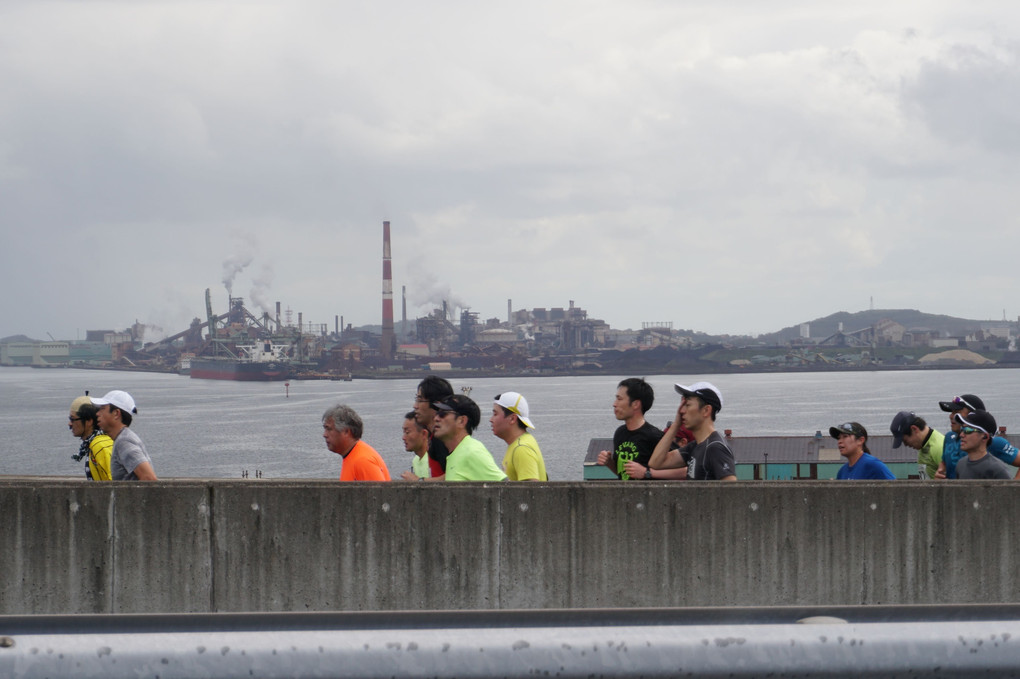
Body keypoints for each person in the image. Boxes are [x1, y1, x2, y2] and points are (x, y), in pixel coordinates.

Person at [646, 382, 736, 481]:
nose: (681, 411)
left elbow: (731, 490)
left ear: (706, 410)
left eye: (688, 405)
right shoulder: (694, 446)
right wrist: (676, 425)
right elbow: (656, 462)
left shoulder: (716, 447)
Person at [934, 394, 1020, 479]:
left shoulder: (994, 442)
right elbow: (945, 462)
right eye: (951, 412)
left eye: (957, 412)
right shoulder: (949, 437)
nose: (951, 416)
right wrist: (940, 472)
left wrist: (1013, 487)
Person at [596, 378, 663, 480]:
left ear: (635, 404)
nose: (614, 404)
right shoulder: (620, 433)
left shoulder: (654, 436)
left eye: (619, 399)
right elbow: (621, 472)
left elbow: (684, 469)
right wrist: (609, 462)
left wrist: (646, 472)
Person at [432, 394, 507, 481]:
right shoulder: (457, 453)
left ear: (462, 421)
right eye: (437, 413)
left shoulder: (472, 451)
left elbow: (506, 486)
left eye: (442, 414)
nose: (436, 418)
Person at [91, 390, 157, 481]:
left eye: (102, 408)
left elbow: (149, 478)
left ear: (116, 414)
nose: (97, 414)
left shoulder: (124, 441)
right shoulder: (122, 438)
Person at [322, 404, 390, 481]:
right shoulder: (353, 455)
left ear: (346, 432)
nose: (324, 435)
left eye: (329, 429)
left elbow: (379, 492)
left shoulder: (362, 461)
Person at [490, 391, 547, 481]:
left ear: (512, 418)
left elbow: (532, 492)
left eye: (495, 414)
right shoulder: (521, 442)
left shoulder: (522, 448)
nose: (491, 419)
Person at [412, 375, 454, 480]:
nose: (415, 406)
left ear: (437, 405)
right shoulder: (436, 436)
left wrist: (419, 481)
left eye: (420, 400)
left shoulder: (442, 439)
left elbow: (454, 476)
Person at [953, 410, 1012, 479]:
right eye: (962, 429)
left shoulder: (998, 470)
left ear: (985, 437)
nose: (961, 435)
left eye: (967, 430)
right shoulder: (960, 465)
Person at [68, 393, 113, 481]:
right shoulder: (97, 442)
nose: (69, 424)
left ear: (89, 421)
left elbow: (114, 482)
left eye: (72, 419)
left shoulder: (99, 445)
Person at [829, 421, 895, 480]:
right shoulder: (842, 472)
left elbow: (895, 488)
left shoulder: (874, 465)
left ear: (860, 440)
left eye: (845, 436)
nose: (840, 441)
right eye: (839, 438)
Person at [889, 411, 944, 479]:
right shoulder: (923, 446)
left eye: (905, 441)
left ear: (914, 429)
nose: (906, 445)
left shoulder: (938, 448)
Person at [399, 411, 432, 482]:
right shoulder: (416, 460)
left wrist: (417, 480)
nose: (403, 437)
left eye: (407, 432)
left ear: (424, 434)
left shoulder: (435, 460)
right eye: (404, 432)